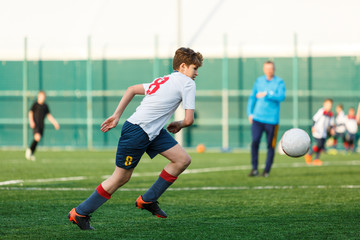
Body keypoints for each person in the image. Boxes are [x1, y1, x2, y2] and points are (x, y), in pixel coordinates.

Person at [68, 47, 203, 230]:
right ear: (183, 66)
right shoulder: (187, 83)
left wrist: (116, 116)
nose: (196, 73)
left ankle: (148, 200)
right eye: (195, 68)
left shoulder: (164, 80)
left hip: (151, 130)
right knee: (121, 178)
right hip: (139, 131)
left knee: (182, 160)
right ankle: (80, 212)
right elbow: (189, 120)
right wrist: (179, 124)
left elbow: (131, 89)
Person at [247, 60, 286, 177]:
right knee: (255, 142)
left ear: (274, 69)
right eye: (267, 68)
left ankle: (267, 171)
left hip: (272, 120)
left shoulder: (279, 82)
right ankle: (254, 169)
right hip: (257, 118)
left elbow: (281, 97)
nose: (269, 70)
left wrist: (268, 94)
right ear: (264, 69)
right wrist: (250, 113)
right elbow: (252, 98)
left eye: (271, 68)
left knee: (270, 145)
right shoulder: (259, 81)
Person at [25, 91, 60, 161]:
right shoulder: (35, 105)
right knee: (37, 137)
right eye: (41, 97)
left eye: (43, 97)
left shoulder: (45, 106)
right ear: (38, 97)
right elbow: (30, 113)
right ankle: (29, 151)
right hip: (36, 125)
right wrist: (31, 122)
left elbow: (49, 116)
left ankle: (31, 152)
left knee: (38, 139)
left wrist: (55, 123)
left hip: (41, 126)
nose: (42, 98)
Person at [305, 99, 334, 166]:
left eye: (330, 105)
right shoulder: (321, 111)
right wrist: (313, 127)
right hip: (317, 132)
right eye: (327, 105)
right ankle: (309, 155)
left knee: (321, 146)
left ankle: (316, 159)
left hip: (324, 133)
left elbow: (331, 124)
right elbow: (314, 119)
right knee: (319, 145)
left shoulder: (331, 114)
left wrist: (332, 129)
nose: (329, 107)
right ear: (324, 105)